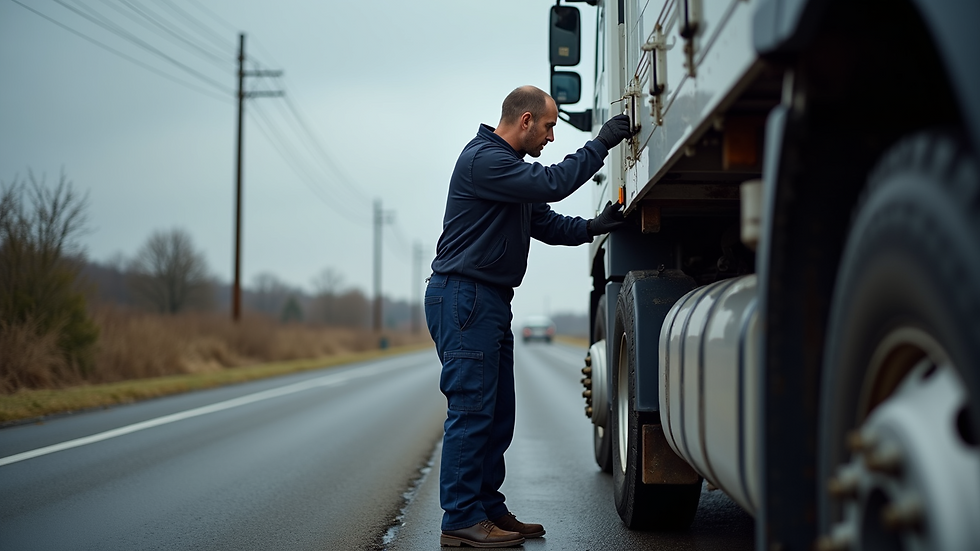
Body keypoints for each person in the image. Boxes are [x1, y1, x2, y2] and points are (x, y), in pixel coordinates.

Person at [425, 85, 632, 548]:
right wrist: (601, 143)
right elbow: (552, 183)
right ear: (525, 121)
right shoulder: (485, 161)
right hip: (465, 296)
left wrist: (595, 226)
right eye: (549, 126)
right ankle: (460, 519)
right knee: (471, 409)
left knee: (497, 413)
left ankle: (486, 508)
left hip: (487, 299)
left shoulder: (508, 170)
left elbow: (546, 221)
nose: (551, 137)